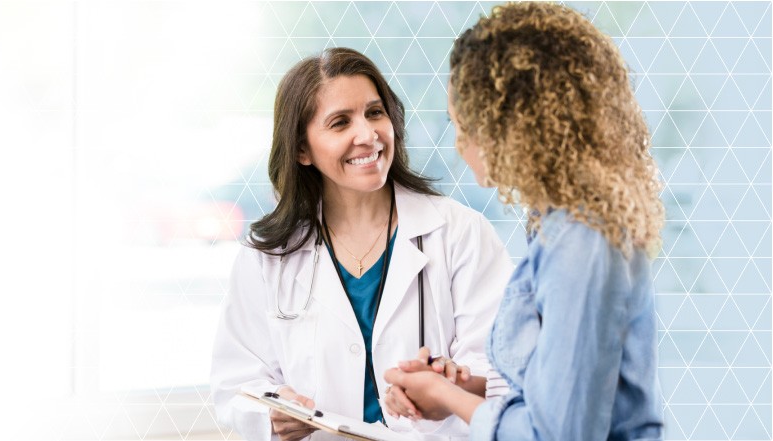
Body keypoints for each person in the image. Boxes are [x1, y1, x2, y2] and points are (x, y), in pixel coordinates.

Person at [383, 2, 666, 440]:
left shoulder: (581, 243)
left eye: (464, 124)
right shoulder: (559, 228)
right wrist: (454, 388)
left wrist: (451, 399)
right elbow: (554, 391)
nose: (459, 143)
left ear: (511, 126)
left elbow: (555, 433)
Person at [210, 47, 513, 441]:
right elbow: (236, 379)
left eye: (375, 113)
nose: (368, 135)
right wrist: (272, 410)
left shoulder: (460, 233)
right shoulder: (267, 256)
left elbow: (503, 368)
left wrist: (448, 382)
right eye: (340, 123)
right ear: (302, 149)